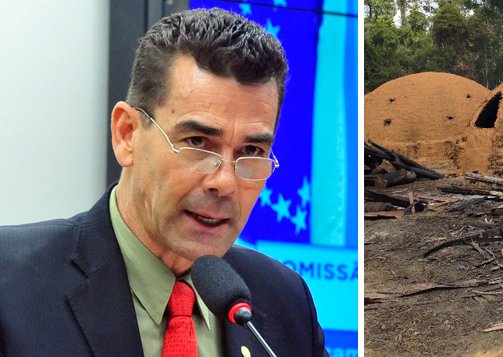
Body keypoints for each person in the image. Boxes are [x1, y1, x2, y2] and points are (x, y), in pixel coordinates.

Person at [0, 9, 327, 356]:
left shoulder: (286, 302)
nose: (225, 182)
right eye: (198, 143)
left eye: (251, 150)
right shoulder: (11, 283)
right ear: (127, 135)